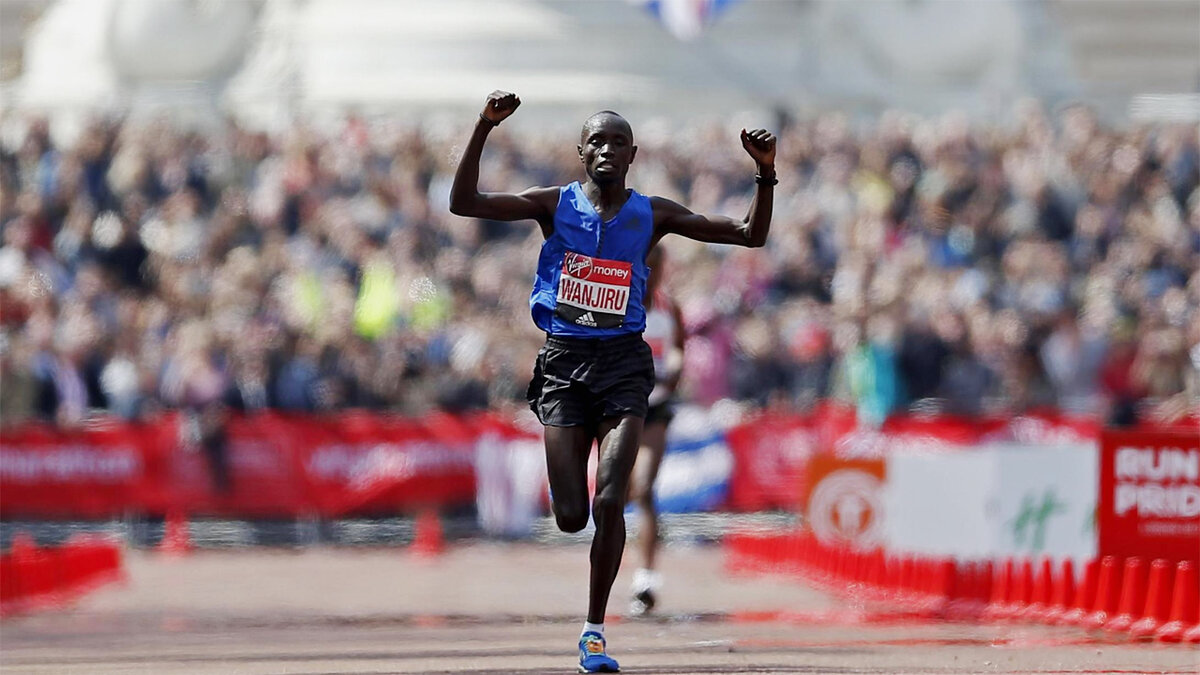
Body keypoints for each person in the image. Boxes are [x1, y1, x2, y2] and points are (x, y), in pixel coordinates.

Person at [450, 90, 775, 674]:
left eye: (617, 142)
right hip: (563, 368)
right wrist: (483, 125)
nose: (605, 149)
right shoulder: (552, 205)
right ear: (581, 152)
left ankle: (594, 632)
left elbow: (748, 235)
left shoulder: (654, 213)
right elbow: (463, 201)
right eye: (595, 141)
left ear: (632, 155)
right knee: (572, 515)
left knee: (611, 499)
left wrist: (765, 174)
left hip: (625, 366)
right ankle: (583, 541)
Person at [626, 245, 685, 617]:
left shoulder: (669, 309)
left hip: (655, 408)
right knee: (616, 491)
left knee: (645, 489)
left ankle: (646, 578)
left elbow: (678, 350)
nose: (652, 274)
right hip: (618, 408)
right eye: (645, 266)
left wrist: (674, 369)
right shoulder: (618, 306)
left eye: (657, 267)